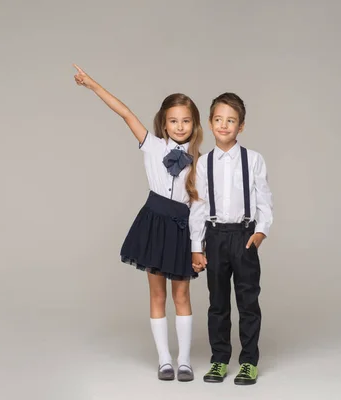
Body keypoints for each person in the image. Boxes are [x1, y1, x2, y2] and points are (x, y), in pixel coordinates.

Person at [73, 64, 206, 382]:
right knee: (157, 295)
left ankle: (184, 360)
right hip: (154, 224)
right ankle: (164, 360)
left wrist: (197, 247)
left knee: (182, 296)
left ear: (194, 124)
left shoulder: (202, 160)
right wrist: (93, 85)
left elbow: (200, 207)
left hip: (182, 229)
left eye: (186, 121)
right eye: (173, 120)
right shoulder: (152, 146)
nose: (179, 125)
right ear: (164, 122)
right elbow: (126, 113)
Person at [190, 92, 273, 385]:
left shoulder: (254, 160)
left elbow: (264, 198)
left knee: (248, 301)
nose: (224, 125)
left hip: (244, 235)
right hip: (214, 237)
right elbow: (198, 206)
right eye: (218, 119)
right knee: (218, 303)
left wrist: (260, 231)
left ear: (241, 126)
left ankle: (248, 361)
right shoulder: (204, 163)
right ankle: (219, 360)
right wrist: (196, 247)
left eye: (231, 120)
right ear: (211, 123)